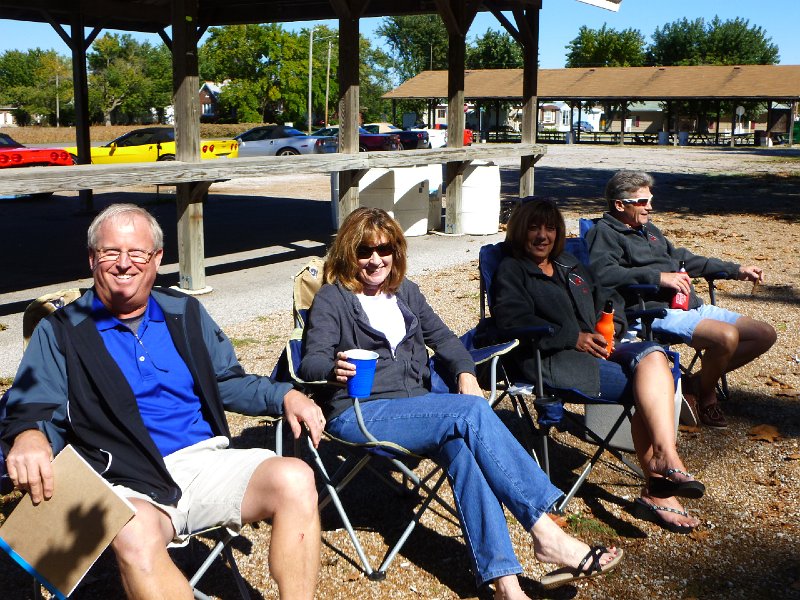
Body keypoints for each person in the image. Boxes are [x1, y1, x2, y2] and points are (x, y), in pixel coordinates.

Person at [297, 207, 623, 598]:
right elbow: (310, 360)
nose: (375, 260)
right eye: (365, 250)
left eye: (384, 249)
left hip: (417, 410)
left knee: (462, 450)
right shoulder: (334, 298)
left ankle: (507, 586)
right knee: (468, 411)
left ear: (396, 251)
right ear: (350, 253)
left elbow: (449, 342)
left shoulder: (407, 293)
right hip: (359, 412)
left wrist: (467, 373)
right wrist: (335, 366)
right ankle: (545, 530)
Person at [1, 204, 322, 600]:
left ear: (156, 259)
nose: (123, 264)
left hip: (204, 461)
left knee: (296, 477)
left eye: (136, 253)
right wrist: (27, 433)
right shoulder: (63, 331)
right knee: (134, 531)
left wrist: (285, 394)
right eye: (110, 252)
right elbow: (31, 400)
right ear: (92, 259)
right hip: (122, 477)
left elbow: (226, 381)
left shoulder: (184, 311)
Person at [492, 199, 706, 535]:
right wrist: (574, 337)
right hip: (552, 359)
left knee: (653, 357)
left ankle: (666, 460)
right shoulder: (512, 271)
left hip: (599, 350)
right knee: (647, 384)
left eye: (550, 228)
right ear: (521, 231)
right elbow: (511, 320)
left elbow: (611, 299)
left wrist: (613, 326)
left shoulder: (569, 264)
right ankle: (659, 484)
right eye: (534, 227)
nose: (543, 235)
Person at [585, 170, 777, 429]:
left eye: (650, 200)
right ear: (620, 205)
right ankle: (708, 396)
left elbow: (681, 259)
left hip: (689, 306)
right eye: (642, 202)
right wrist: (658, 277)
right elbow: (603, 273)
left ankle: (694, 384)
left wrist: (736, 269)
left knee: (764, 334)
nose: (650, 207)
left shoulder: (648, 229)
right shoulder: (603, 233)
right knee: (727, 337)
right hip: (653, 312)